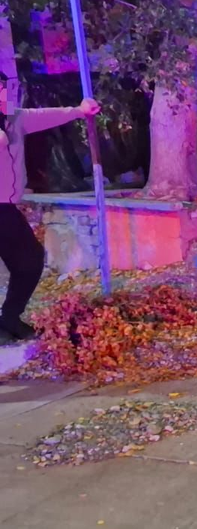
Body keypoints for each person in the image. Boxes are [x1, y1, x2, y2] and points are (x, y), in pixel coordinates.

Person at [0, 72, 101, 341]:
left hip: (4, 208)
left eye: (4, 88)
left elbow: (45, 115)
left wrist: (80, 111)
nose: (4, 94)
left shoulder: (15, 118)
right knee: (27, 259)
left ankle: (8, 319)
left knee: (30, 261)